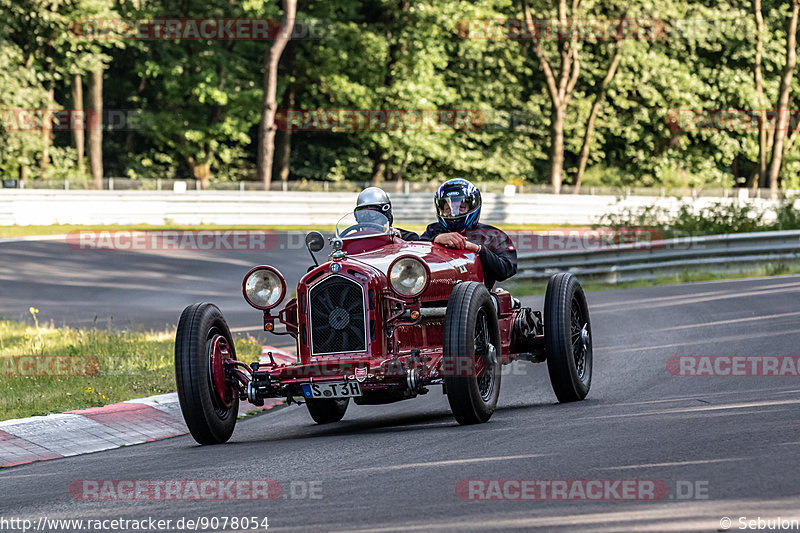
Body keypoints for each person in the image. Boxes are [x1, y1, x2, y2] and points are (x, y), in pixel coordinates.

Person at [421, 179, 517, 288]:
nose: (453, 213)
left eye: (461, 208)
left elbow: (507, 269)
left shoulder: (492, 235)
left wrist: (477, 249)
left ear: (472, 207)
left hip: (477, 298)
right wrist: (436, 239)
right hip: (434, 292)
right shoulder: (433, 231)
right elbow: (415, 251)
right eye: (448, 209)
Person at [355, 187, 420, 241]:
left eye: (372, 213)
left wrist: (397, 240)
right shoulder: (353, 241)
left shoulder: (408, 238)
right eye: (362, 214)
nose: (367, 219)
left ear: (385, 214)